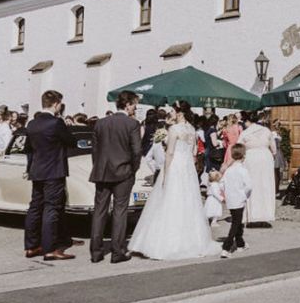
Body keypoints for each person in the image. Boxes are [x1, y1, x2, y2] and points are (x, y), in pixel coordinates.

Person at [128, 106, 223, 260]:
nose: (169, 114)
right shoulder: (192, 129)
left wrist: (165, 172)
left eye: (172, 111)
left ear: (180, 113)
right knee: (187, 201)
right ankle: (193, 240)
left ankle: (165, 242)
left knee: (169, 199)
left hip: (175, 165)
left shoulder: (174, 129)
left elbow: (170, 152)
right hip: (187, 168)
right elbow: (193, 152)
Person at [89, 90, 143, 264]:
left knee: (99, 211)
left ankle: (96, 251)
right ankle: (117, 250)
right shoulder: (132, 124)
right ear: (127, 105)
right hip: (123, 171)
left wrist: (98, 166)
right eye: (134, 104)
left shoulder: (100, 123)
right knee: (120, 211)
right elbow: (136, 151)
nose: (136, 107)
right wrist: (134, 169)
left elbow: (95, 151)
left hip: (102, 171)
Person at [24, 90, 76, 261]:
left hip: (37, 170)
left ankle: (31, 245)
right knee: (51, 208)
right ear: (56, 104)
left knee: (35, 207)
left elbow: (28, 149)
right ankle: (50, 248)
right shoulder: (56, 123)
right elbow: (71, 141)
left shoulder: (32, 124)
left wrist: (30, 168)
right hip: (54, 170)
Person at [238, 111, 276, 224]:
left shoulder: (245, 133)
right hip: (265, 157)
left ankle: (252, 214)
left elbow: (238, 147)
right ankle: (265, 214)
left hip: (251, 158)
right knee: (265, 184)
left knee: (251, 184)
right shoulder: (266, 130)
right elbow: (273, 149)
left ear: (247, 121)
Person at [221, 144, 252, 258]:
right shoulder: (243, 170)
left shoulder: (229, 170)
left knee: (237, 220)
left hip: (230, 199)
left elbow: (222, 184)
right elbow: (249, 186)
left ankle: (240, 243)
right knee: (236, 223)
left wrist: (226, 194)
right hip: (240, 199)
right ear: (244, 156)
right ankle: (226, 247)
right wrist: (245, 195)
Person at [271, 119, 287, 192]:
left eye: (279, 124)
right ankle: (274, 188)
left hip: (279, 151)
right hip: (274, 152)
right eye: (277, 124)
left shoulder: (279, 133)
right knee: (275, 171)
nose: (278, 125)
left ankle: (277, 188)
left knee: (278, 171)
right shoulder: (272, 133)